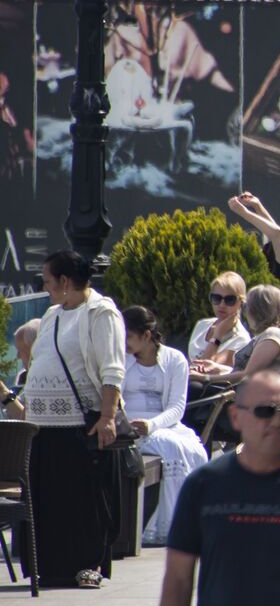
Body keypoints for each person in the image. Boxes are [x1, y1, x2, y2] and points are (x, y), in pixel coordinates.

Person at [159, 371, 280, 606]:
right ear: (235, 416)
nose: (277, 421)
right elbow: (178, 580)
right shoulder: (203, 486)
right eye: (264, 411)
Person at [0, 250, 125, 589]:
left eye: (48, 281)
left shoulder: (101, 313)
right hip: (43, 428)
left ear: (66, 282)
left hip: (78, 427)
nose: (45, 286)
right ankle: (50, 565)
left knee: (80, 500)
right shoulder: (54, 313)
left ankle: (88, 564)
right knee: (48, 499)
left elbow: (112, 368)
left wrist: (108, 416)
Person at [121, 306, 208, 547]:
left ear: (146, 335)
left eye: (128, 336)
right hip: (128, 425)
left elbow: (176, 407)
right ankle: (167, 528)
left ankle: (184, 523)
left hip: (164, 424)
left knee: (191, 449)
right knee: (168, 446)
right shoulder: (120, 359)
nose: (123, 342)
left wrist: (151, 424)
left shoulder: (174, 359)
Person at [191, 285, 280, 385]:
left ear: (256, 311)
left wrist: (204, 378)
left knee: (193, 385)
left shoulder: (272, 336)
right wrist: (219, 368)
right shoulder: (269, 334)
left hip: (256, 398)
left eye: (246, 307)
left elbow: (246, 376)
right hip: (249, 392)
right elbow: (248, 371)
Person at [187, 271, 252, 367]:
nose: (222, 305)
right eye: (216, 298)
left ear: (241, 303)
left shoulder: (242, 340)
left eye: (230, 300)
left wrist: (217, 336)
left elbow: (203, 368)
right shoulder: (202, 325)